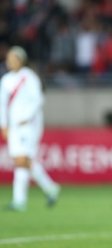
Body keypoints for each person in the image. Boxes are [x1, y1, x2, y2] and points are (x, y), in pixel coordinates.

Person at [0, 46, 60, 211]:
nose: (10, 61)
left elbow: (38, 100)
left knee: (21, 160)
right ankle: (50, 187)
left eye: (13, 58)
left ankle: (19, 201)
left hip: (28, 125)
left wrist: (26, 117)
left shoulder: (29, 77)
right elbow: (2, 105)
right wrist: (3, 125)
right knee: (24, 161)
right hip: (13, 126)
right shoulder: (5, 80)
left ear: (21, 59)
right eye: (8, 58)